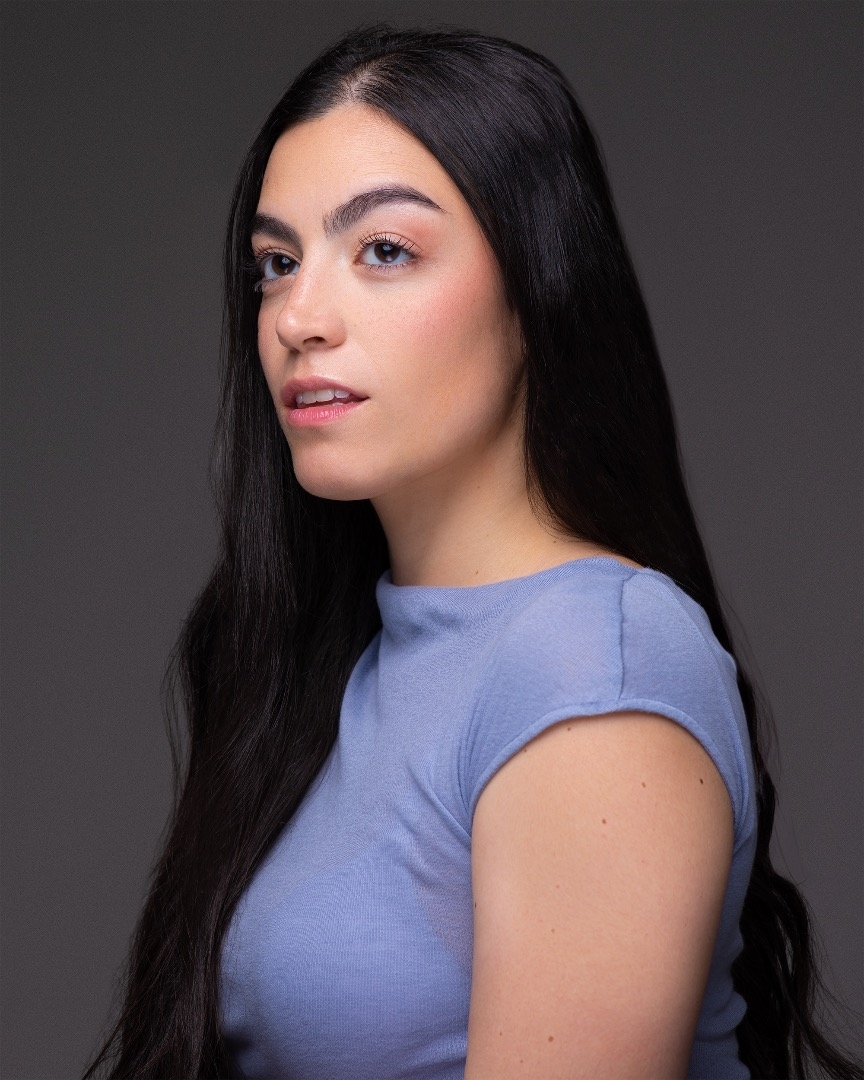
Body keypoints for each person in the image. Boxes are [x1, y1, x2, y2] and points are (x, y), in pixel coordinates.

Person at [84, 23, 862, 1080]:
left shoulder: (593, 667)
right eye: (277, 263)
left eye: (384, 251)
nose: (299, 317)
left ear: (537, 287)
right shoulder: (341, 656)